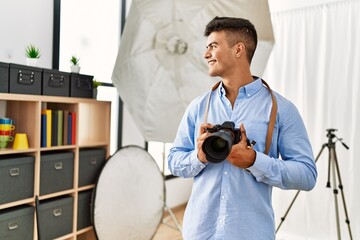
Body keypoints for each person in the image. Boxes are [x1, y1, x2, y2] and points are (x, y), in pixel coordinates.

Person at [167, 16, 317, 240]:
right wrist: (198, 156)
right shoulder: (199, 107)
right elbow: (174, 161)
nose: (206, 54)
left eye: (213, 46)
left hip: (250, 233)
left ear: (238, 50)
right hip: (199, 232)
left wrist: (254, 161)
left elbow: (307, 175)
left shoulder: (281, 109)